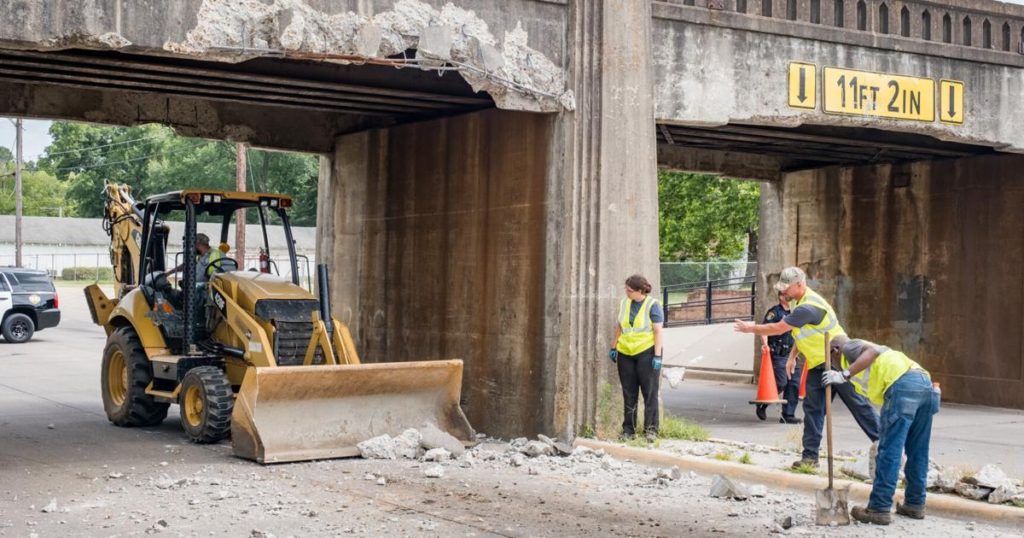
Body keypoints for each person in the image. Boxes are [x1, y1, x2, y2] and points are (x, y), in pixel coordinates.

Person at [734, 266, 879, 468]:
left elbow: (779, 328)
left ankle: (890, 451)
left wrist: (751, 328)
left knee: (859, 407)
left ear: (800, 284)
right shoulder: (798, 303)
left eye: (787, 288)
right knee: (813, 410)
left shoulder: (809, 307)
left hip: (837, 361)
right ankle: (810, 458)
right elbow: (800, 334)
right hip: (818, 364)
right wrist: (793, 357)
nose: (784, 292)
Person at [823, 335, 939, 525]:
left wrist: (843, 374)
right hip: (925, 385)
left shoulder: (848, 347)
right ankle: (915, 504)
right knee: (918, 451)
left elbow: (873, 351)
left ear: (835, 350)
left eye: (830, 358)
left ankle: (879, 507)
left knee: (889, 451)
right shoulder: (861, 362)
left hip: (903, 387)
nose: (832, 364)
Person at [609, 274, 664, 442]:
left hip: (646, 353)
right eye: (626, 288)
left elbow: (657, 331)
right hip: (625, 352)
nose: (626, 292)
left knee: (649, 392)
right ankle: (628, 430)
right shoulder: (625, 303)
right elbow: (620, 325)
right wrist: (614, 346)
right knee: (629, 392)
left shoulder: (652, 305)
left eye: (630, 290)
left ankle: (651, 430)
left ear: (640, 291)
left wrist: (657, 355)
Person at [756, 290, 802, 424]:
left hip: (792, 354)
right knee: (782, 382)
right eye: (784, 295)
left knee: (793, 384)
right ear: (780, 297)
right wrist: (765, 344)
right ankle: (763, 403)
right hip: (778, 354)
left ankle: (788, 415)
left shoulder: (796, 312)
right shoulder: (775, 312)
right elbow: (764, 329)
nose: (788, 297)